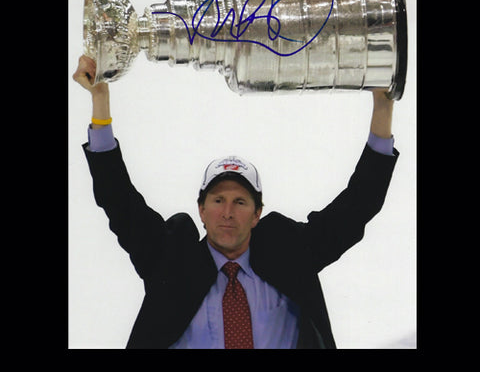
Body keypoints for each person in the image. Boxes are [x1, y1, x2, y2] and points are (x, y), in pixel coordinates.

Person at [73, 54, 399, 349]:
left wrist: (383, 107)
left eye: (240, 202)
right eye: (218, 200)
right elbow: (118, 199)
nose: (227, 212)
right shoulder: (170, 259)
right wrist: (100, 102)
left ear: (257, 214)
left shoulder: (288, 253)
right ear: (201, 210)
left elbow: (357, 207)